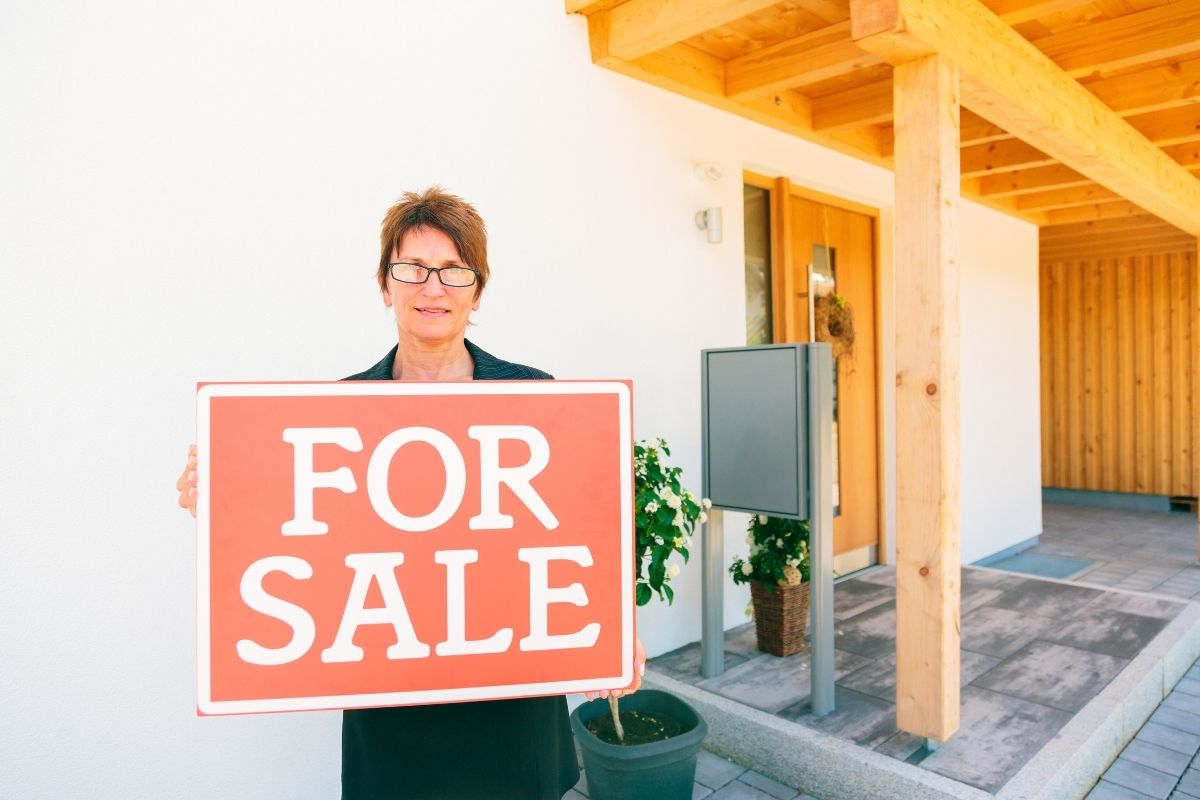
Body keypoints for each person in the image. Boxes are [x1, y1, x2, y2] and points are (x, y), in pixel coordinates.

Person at [176, 187, 644, 799]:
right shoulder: (334, 412)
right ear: (384, 284)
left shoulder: (537, 395)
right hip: (391, 715)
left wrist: (613, 628)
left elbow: (583, 526)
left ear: (477, 290)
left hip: (513, 711)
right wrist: (223, 503)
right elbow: (310, 546)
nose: (433, 288)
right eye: (413, 268)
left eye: (453, 270)